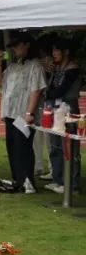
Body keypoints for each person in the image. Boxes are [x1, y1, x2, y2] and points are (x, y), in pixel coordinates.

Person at [0, 32, 45, 194]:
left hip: (23, 114)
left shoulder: (35, 66)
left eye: (17, 46)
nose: (14, 49)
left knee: (23, 146)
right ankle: (18, 179)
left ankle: (27, 180)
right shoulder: (13, 66)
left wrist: (30, 112)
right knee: (12, 146)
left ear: (27, 45)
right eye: (13, 47)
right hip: (10, 113)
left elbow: (36, 90)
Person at [43, 38, 81, 195]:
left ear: (66, 52)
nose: (54, 54)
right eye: (53, 51)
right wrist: (48, 71)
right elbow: (49, 88)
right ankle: (58, 179)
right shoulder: (56, 68)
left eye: (56, 50)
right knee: (55, 145)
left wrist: (47, 94)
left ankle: (72, 184)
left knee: (69, 146)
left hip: (68, 108)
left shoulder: (72, 68)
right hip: (54, 107)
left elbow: (60, 90)